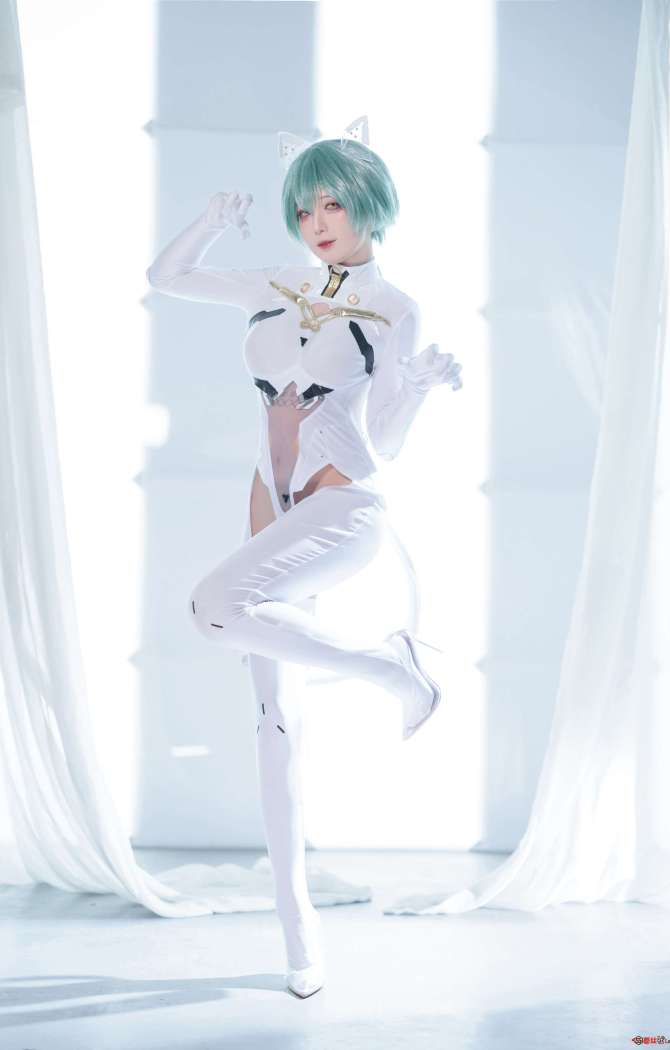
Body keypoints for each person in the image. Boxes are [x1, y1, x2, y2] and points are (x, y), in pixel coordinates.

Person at [146, 118, 463, 999]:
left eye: (332, 204)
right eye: (303, 207)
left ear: (369, 206)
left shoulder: (395, 309)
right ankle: (299, 938)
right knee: (275, 723)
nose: (316, 222)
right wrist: (211, 219)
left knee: (214, 608)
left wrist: (419, 389)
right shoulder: (275, 282)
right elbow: (166, 277)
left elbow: (385, 438)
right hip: (268, 509)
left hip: (341, 509)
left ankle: (395, 672)